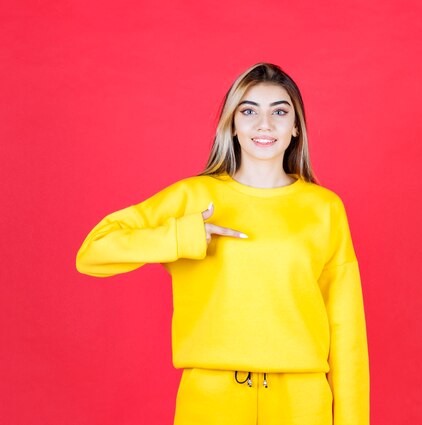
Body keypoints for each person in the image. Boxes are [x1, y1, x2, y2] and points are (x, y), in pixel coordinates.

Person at [75, 62, 369, 425]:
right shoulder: (194, 197)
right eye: (249, 111)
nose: (265, 124)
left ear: (296, 128)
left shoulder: (325, 208)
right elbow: (93, 252)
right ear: (232, 124)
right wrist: (182, 236)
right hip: (211, 399)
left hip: (302, 400)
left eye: (280, 111)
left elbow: (347, 329)